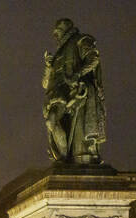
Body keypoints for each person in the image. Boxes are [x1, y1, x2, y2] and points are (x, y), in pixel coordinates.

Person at [42, 17, 106, 164]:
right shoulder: (57, 54)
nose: (55, 35)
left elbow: (93, 58)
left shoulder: (81, 40)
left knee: (80, 137)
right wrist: (48, 67)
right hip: (57, 96)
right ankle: (63, 158)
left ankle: (67, 160)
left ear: (66, 29)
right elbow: (45, 84)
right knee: (51, 121)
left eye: (57, 31)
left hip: (77, 93)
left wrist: (77, 74)